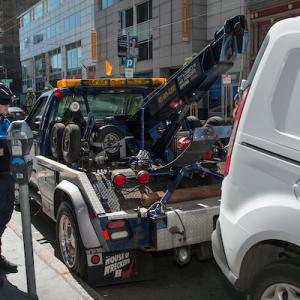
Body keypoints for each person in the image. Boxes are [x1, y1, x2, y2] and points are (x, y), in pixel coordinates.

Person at [0, 83, 18, 273]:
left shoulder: (5, 121)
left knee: (4, 216)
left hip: (8, 176)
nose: (7, 106)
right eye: (3, 102)